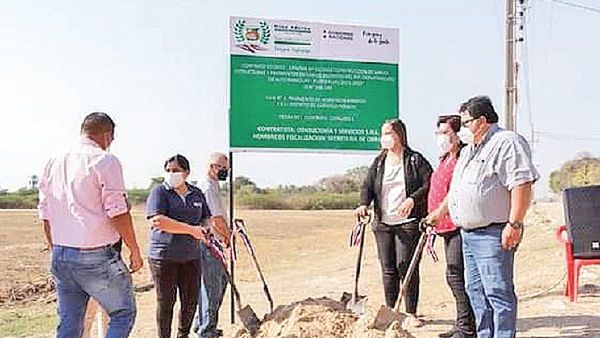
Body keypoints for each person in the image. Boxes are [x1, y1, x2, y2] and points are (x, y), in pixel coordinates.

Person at [38, 112, 142, 338]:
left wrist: (53, 245)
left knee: (70, 321)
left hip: (62, 254)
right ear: (107, 135)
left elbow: (45, 211)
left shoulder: (53, 161)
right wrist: (134, 249)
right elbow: (117, 210)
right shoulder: (104, 160)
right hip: (95, 255)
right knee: (123, 312)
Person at [448, 96, 539, 338]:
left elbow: (521, 183)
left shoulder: (506, 142)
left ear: (482, 120)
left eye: (465, 123)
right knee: (476, 292)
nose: (462, 130)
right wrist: (438, 215)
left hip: (493, 233)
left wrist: (515, 223)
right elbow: (457, 190)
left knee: (497, 292)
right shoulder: (468, 151)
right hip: (468, 234)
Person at [356, 118, 433, 327]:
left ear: (399, 135)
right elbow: (367, 186)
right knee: (388, 269)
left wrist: (412, 199)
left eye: (388, 133)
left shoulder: (415, 160)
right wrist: (363, 204)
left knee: (405, 266)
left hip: (407, 222)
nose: (384, 138)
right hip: (383, 223)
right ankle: (392, 311)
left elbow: (429, 183)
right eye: (382, 134)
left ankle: (410, 312)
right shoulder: (379, 162)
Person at [146, 154, 211, 338]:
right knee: (166, 301)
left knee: (190, 301)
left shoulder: (196, 193)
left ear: (186, 172)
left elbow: (206, 217)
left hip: (191, 256)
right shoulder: (160, 192)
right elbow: (157, 220)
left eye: (175, 170)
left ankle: (183, 335)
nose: (171, 174)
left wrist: (206, 229)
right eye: (168, 170)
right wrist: (191, 230)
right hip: (164, 256)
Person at [424, 115, 475, 338]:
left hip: (458, 224)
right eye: (439, 133)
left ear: (457, 134)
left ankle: (467, 327)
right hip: (443, 225)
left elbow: (455, 191)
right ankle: (461, 323)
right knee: (455, 275)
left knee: (457, 275)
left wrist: (438, 213)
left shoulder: (463, 157)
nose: (441, 137)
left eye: (445, 132)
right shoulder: (445, 158)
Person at [195, 152, 231, 338]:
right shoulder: (207, 187)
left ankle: (201, 323)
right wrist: (228, 237)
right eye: (223, 168)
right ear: (213, 167)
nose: (226, 171)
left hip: (214, 242)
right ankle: (206, 330)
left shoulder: (214, 185)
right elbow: (216, 219)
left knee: (214, 283)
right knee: (212, 286)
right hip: (211, 243)